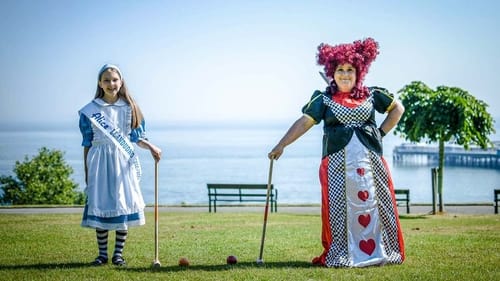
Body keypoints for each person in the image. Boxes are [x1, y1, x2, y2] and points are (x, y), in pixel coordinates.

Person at [268, 38, 405, 267]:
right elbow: (305, 122)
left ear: (359, 72)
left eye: (350, 70)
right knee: (339, 209)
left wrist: (380, 133)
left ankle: (384, 251)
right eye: (340, 70)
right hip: (336, 166)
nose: (345, 74)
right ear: (332, 72)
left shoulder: (373, 95)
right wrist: (281, 145)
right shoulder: (323, 99)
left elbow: (397, 109)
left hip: (371, 163)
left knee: (377, 204)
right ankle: (343, 253)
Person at [78, 64, 162, 266]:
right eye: (106, 80)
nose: (111, 83)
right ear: (100, 83)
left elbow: (136, 138)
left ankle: (118, 255)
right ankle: (102, 254)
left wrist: (151, 146)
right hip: (99, 160)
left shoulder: (130, 108)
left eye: (114, 79)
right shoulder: (90, 110)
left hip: (123, 160)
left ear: (121, 82)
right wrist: (87, 170)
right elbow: (87, 143)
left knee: (123, 203)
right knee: (102, 203)